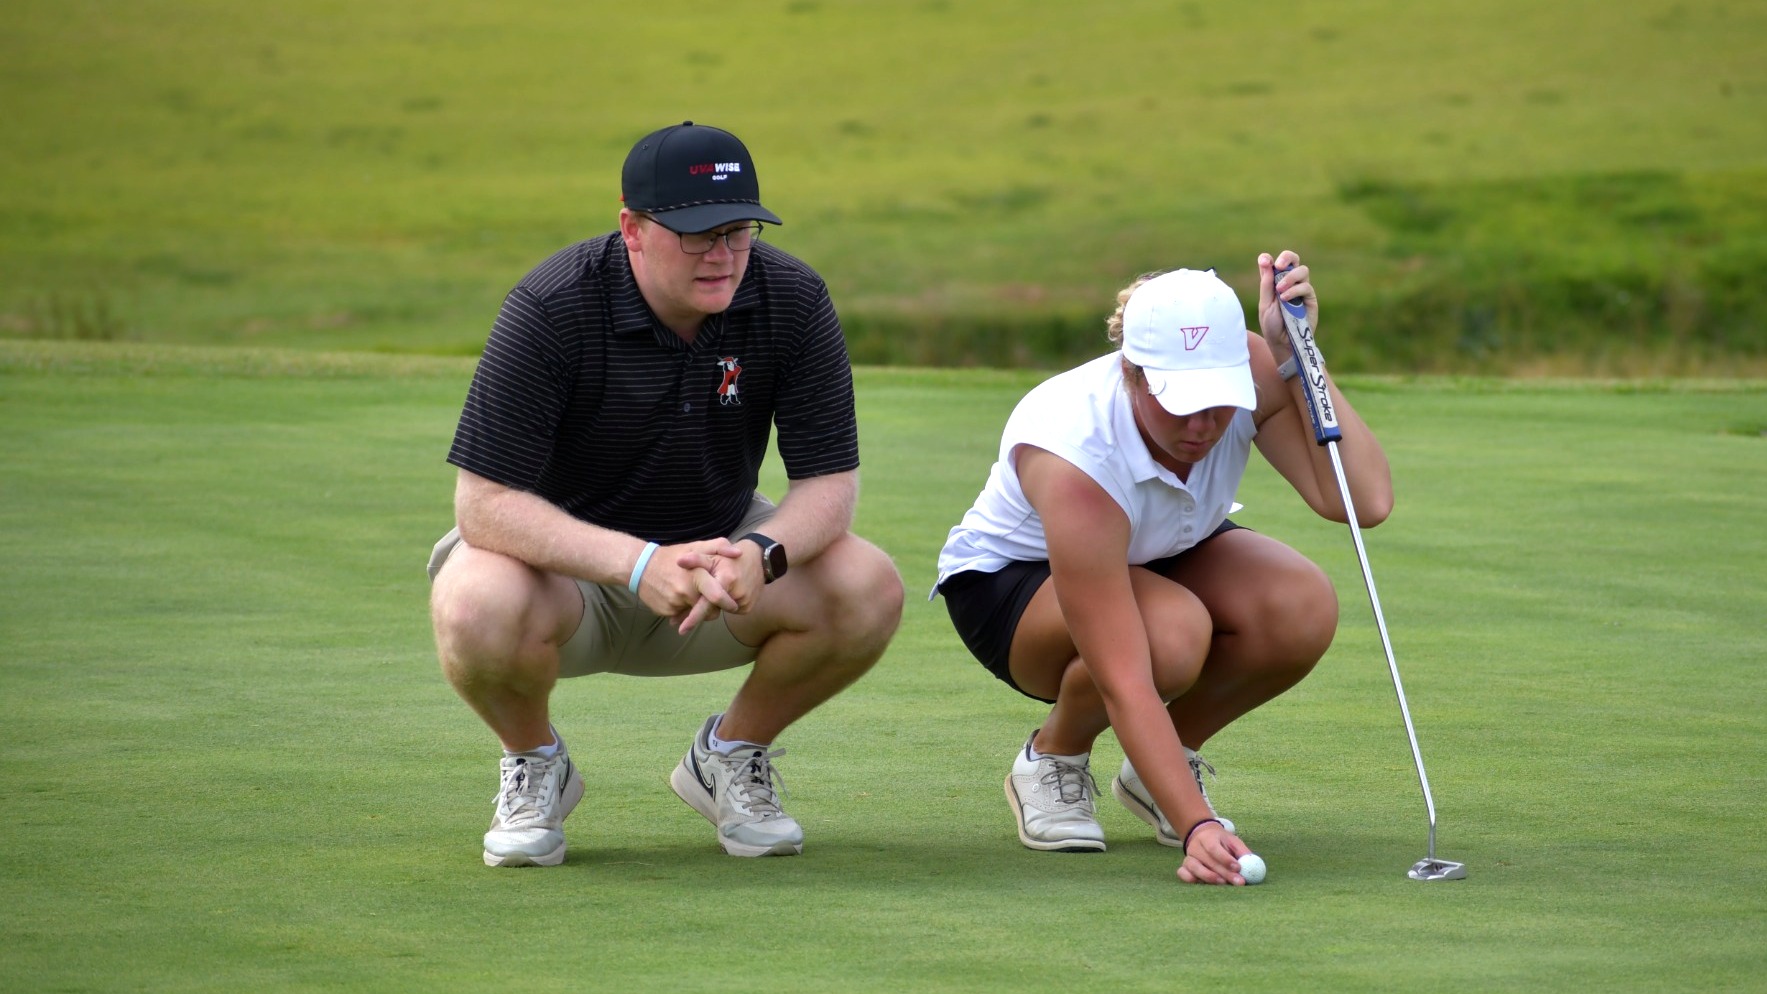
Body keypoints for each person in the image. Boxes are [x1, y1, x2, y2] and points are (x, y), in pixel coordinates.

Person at [427, 121, 904, 867]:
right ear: (633, 229)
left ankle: (730, 754)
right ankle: (534, 764)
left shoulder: (792, 296)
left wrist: (762, 552)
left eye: (737, 230)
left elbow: (828, 484)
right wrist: (637, 562)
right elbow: (483, 503)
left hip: (718, 569)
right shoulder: (553, 303)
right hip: (565, 581)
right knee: (472, 601)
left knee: (866, 583)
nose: (722, 254)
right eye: (694, 233)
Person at [933, 255, 1392, 885]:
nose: (1203, 427)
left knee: (1300, 604)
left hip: (1158, 548)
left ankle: (1160, 767)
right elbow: (1124, 675)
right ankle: (1052, 757)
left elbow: (1360, 501)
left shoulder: (1262, 369)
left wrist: (1301, 360)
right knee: (1169, 637)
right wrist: (1199, 828)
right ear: (1133, 373)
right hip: (1013, 586)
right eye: (1182, 403)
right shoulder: (1074, 450)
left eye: (1219, 402)